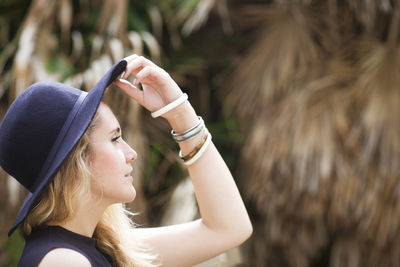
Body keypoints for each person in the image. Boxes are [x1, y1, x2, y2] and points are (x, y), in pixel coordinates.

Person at [0, 54, 252, 267]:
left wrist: (180, 113)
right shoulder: (64, 260)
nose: (132, 153)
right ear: (75, 162)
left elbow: (228, 228)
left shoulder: (105, 246)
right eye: (114, 138)